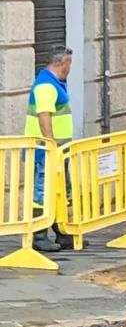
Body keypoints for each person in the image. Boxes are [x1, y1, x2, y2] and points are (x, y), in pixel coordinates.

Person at [25, 45, 75, 252]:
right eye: (69, 63)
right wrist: (50, 144)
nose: (70, 67)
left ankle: (61, 232)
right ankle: (39, 235)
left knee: (58, 191)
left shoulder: (54, 83)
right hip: (46, 150)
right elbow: (44, 116)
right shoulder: (46, 85)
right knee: (42, 191)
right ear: (62, 63)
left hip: (57, 150)